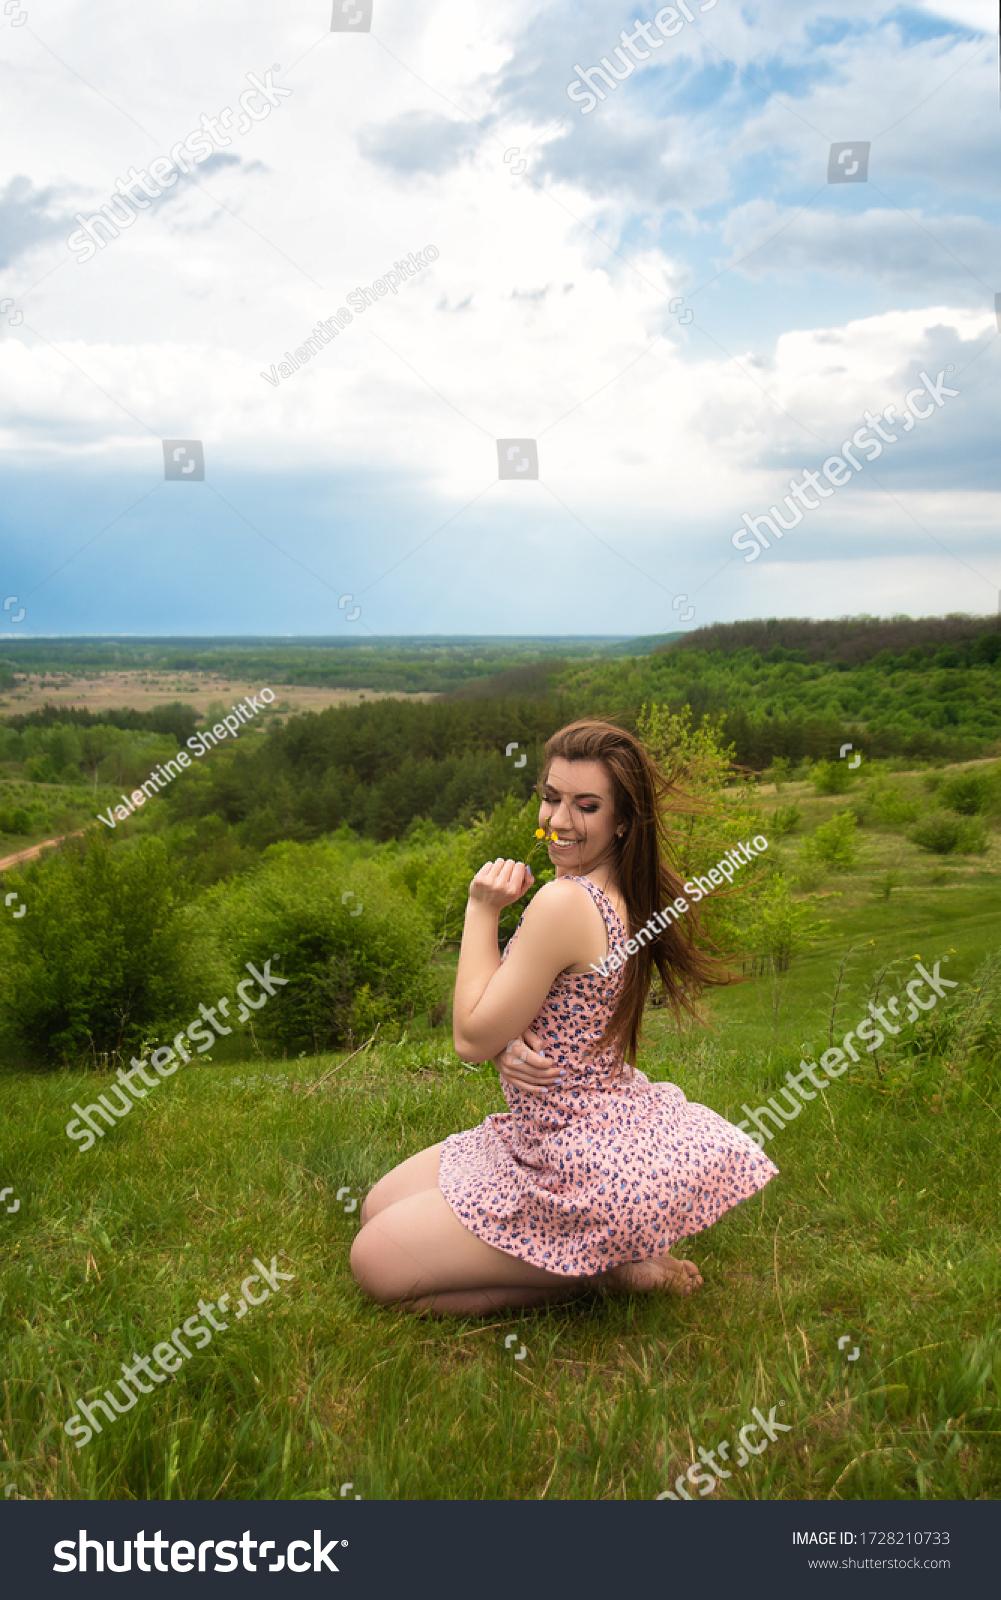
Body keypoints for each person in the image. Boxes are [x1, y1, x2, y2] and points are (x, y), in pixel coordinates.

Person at [350, 718, 777, 1315]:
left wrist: (481, 908)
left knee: (375, 1262)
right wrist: (508, 1041)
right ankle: (604, 1255)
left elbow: (470, 1036)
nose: (558, 819)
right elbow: (538, 1006)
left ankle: (599, 1272)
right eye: (551, 798)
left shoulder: (564, 900)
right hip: (557, 1131)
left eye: (586, 805)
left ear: (622, 820)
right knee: (375, 1207)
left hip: (572, 1161)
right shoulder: (610, 888)